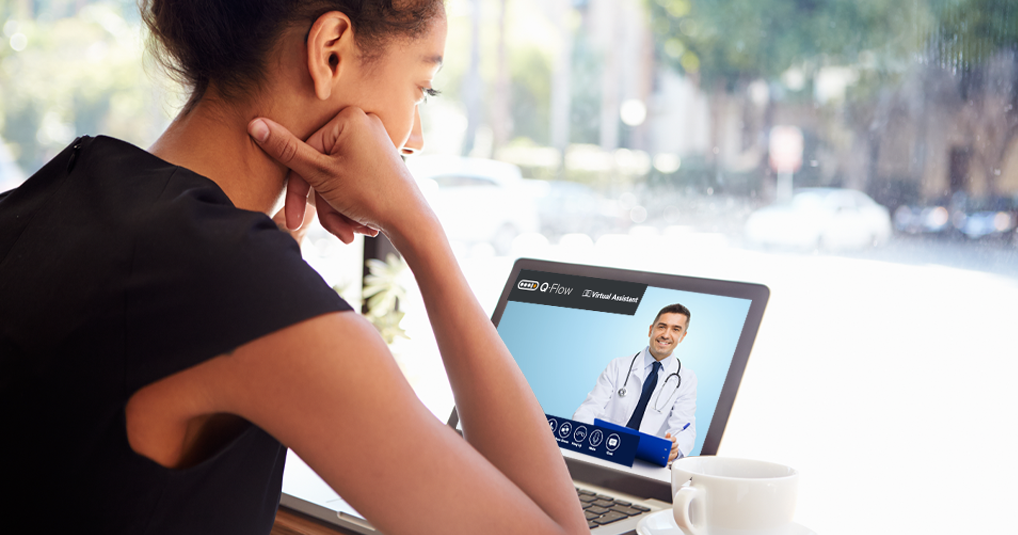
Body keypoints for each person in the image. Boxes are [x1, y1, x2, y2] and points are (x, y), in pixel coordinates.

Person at [0, 1, 589, 534]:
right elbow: (562, 527)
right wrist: (420, 229)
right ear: (330, 50)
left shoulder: (59, 188)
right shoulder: (234, 283)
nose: (416, 139)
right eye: (422, 88)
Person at [573, 304, 697, 462]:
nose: (666, 335)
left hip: (645, 460)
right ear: (650, 330)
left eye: (675, 329)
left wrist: (675, 449)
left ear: (683, 336)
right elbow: (588, 410)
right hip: (601, 450)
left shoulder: (687, 379)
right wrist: (588, 438)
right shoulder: (618, 366)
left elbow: (684, 426)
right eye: (662, 326)